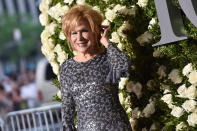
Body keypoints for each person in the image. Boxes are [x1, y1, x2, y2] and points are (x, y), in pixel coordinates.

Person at [60, 5, 132, 131]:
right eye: (74, 33)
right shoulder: (67, 68)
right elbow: (67, 110)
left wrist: (105, 42)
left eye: (84, 31)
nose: (79, 38)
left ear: (95, 31)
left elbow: (124, 66)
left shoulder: (108, 58)